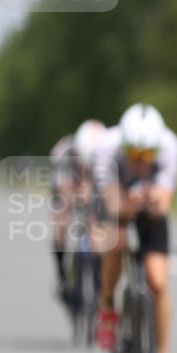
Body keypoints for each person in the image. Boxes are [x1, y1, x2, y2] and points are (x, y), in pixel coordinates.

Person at [95, 104, 177, 353]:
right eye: (134, 154)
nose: (141, 161)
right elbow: (111, 205)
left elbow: (164, 205)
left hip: (149, 204)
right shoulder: (105, 147)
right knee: (116, 243)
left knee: (158, 282)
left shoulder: (171, 146)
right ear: (123, 146)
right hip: (117, 197)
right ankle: (107, 306)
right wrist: (127, 205)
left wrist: (152, 200)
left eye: (148, 156)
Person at [48, 120, 106, 301]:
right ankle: (62, 275)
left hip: (93, 187)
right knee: (60, 219)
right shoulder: (63, 152)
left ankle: (100, 282)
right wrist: (76, 196)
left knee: (96, 229)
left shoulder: (107, 153)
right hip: (67, 185)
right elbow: (62, 190)